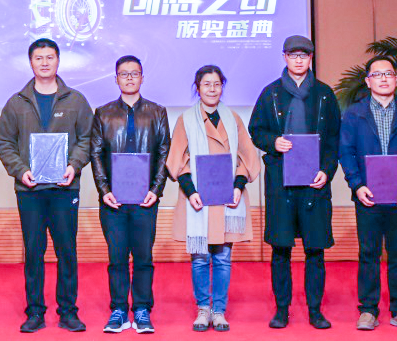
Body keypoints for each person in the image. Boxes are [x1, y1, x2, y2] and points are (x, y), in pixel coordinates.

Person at [0, 38, 95, 333]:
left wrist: (74, 165)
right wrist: (20, 170)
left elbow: (87, 139)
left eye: (50, 57)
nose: (44, 62)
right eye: (38, 58)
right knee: (33, 252)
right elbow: (4, 142)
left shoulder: (76, 100)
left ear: (58, 61)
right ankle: (35, 312)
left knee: (67, 252)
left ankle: (68, 311)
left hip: (65, 189)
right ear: (31, 62)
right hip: (30, 191)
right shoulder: (17, 102)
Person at [248, 35, 341, 330]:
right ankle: (282, 309)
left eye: (304, 55)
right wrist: (273, 142)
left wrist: (327, 170)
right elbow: (256, 130)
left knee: (315, 249)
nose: (299, 60)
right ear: (285, 57)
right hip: (281, 184)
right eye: (293, 55)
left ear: (311, 58)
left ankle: (315, 309)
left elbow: (334, 139)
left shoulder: (324, 94)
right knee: (281, 249)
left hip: (315, 183)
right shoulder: (271, 93)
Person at [166, 65, 261, 333]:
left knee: (222, 258)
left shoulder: (233, 119)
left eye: (217, 84)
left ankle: (219, 311)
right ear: (197, 88)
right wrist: (191, 191)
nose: (212, 89)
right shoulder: (186, 119)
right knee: (199, 259)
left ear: (222, 87)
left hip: (227, 199)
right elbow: (177, 159)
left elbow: (247, 157)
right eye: (206, 84)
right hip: (197, 199)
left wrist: (238, 187)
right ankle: (203, 309)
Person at [338, 56, 397, 332]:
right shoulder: (354, 114)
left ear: (396, 79)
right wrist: (357, 185)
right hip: (367, 195)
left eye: (388, 74)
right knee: (369, 253)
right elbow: (346, 152)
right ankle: (368, 310)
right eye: (377, 75)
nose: (383, 79)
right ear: (368, 81)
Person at [90, 55, 171, 334]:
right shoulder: (103, 113)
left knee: (143, 257)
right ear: (116, 79)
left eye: (134, 73)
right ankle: (119, 310)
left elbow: (164, 152)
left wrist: (156, 190)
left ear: (142, 78)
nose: (129, 78)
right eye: (124, 74)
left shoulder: (157, 112)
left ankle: (142, 309)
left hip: (145, 199)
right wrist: (104, 190)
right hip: (113, 200)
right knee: (117, 258)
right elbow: (96, 153)